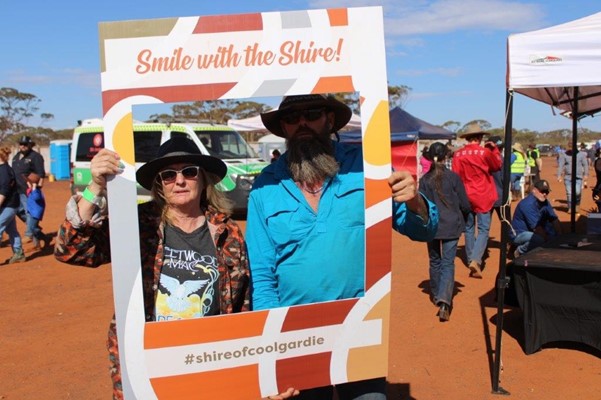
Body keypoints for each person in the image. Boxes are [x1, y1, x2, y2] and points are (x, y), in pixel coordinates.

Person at [54, 137, 297, 400]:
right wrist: (95, 187)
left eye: (189, 172)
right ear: (159, 185)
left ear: (203, 179)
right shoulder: (138, 224)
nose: (179, 181)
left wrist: (256, 371)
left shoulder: (228, 232)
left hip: (210, 361)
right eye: (168, 175)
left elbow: (242, 307)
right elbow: (71, 249)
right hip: (148, 361)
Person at [246, 94, 438, 400]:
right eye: (293, 118)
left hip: (359, 325)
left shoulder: (367, 166)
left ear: (330, 119)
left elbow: (423, 230)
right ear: (283, 127)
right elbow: (262, 274)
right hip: (296, 336)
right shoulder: (265, 186)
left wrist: (414, 200)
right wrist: (273, 350)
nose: (303, 123)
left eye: (311, 113)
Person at [420, 142, 470, 322]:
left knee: (435, 261)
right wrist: (465, 214)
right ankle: (444, 301)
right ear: (445, 157)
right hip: (451, 225)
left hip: (431, 227)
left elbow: (421, 206)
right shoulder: (453, 178)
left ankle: (436, 294)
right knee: (448, 263)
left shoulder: (425, 180)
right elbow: (465, 203)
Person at [452, 123, 502, 278]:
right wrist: (494, 149)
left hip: (465, 195)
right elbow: (497, 165)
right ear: (480, 138)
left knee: (468, 229)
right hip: (483, 195)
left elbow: (456, 176)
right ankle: (475, 259)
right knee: (484, 229)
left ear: (467, 138)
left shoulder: (458, 155)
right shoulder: (484, 152)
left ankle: (470, 259)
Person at [11, 135, 49, 248]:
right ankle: (36, 231)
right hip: (16, 190)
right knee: (18, 211)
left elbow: (41, 174)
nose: (22, 146)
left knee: (31, 212)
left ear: (29, 145)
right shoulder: (16, 156)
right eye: (21, 144)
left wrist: (38, 187)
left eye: (25, 144)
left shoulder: (35, 157)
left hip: (29, 190)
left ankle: (29, 233)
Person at [510, 180, 561, 257]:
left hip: (532, 232)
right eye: (542, 191)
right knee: (539, 240)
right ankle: (519, 250)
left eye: (546, 192)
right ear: (534, 190)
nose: (544, 194)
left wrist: (560, 237)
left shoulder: (545, 202)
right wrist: (549, 243)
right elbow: (537, 229)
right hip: (519, 233)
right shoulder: (528, 204)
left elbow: (554, 219)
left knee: (553, 233)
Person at [0, 146, 26, 264]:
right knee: (12, 230)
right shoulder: (5, 169)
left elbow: (4, 190)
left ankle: (18, 253)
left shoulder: (4, 170)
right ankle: (18, 254)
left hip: (8, 205)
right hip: (10, 204)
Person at [557, 141, 589, 214]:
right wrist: (559, 175)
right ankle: (570, 207)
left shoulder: (581, 155)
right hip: (568, 177)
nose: (571, 149)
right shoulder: (564, 155)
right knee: (569, 193)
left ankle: (577, 204)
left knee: (577, 192)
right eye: (570, 147)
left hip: (578, 177)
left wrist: (586, 174)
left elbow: (585, 165)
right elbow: (561, 165)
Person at [24, 173, 46, 250]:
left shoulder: (37, 191)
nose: (26, 182)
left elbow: (36, 198)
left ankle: (44, 237)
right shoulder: (31, 190)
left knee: (33, 228)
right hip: (31, 211)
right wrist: (31, 188)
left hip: (35, 213)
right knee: (32, 227)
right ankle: (37, 245)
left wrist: (33, 188)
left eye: (28, 181)